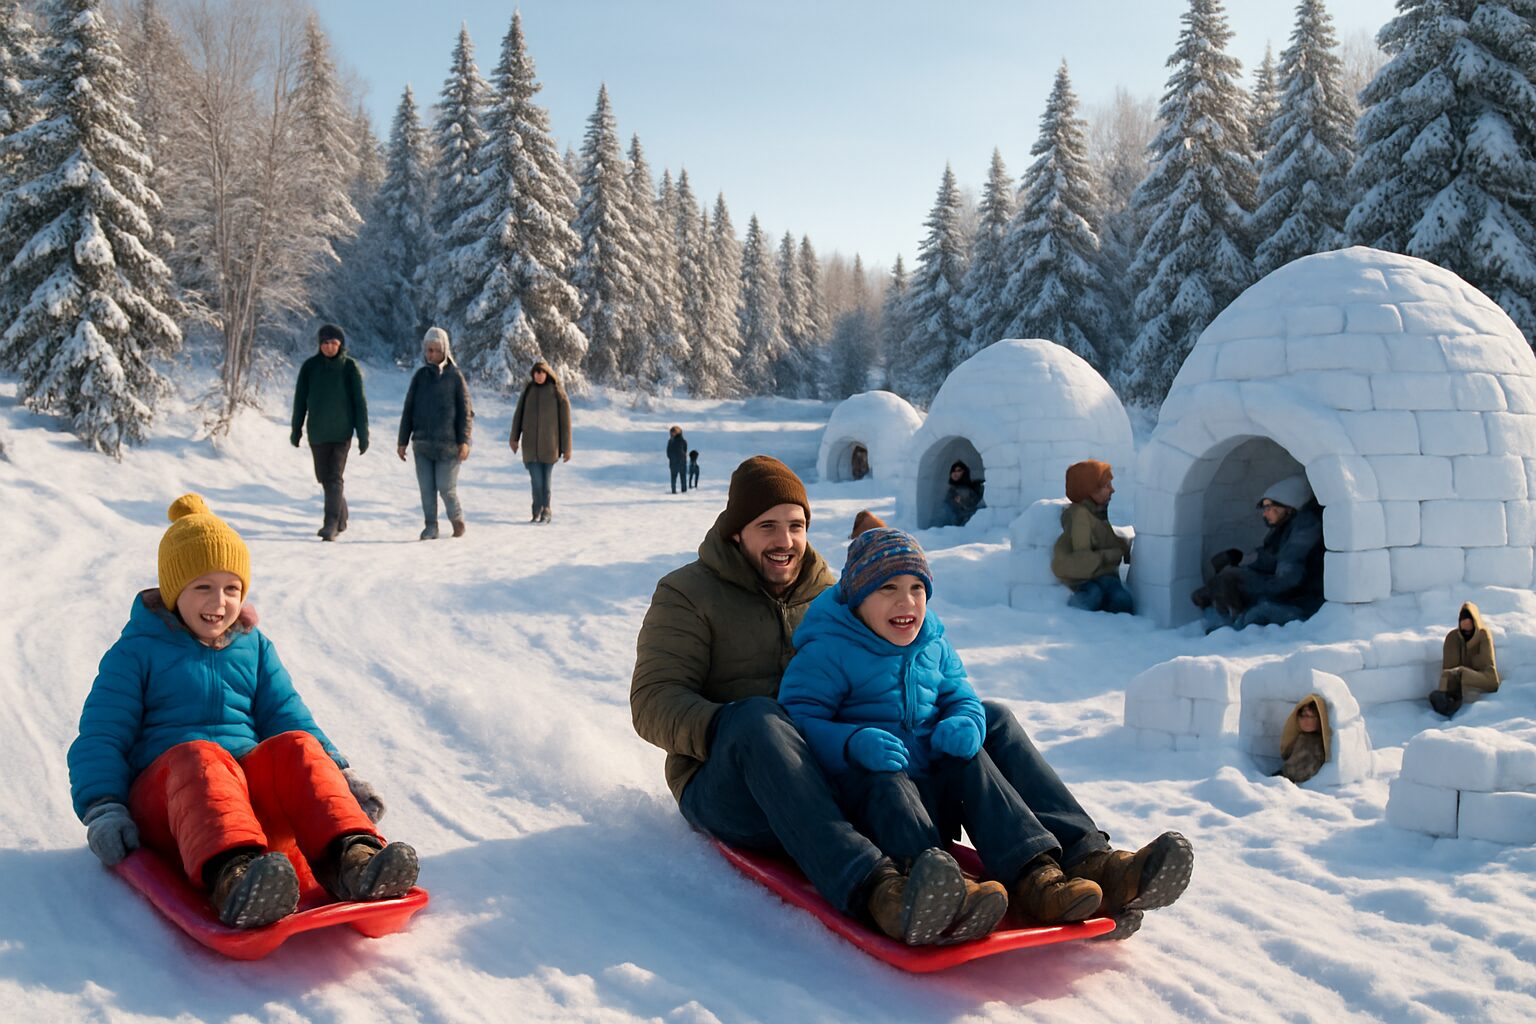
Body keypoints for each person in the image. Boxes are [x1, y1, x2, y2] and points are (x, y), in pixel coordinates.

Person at [631, 456, 1192, 945]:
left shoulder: (837, 590)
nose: (785, 541)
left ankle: (1087, 860)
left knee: (985, 718)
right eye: (767, 527)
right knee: (761, 717)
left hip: (845, 773)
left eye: (796, 526)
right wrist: (746, 733)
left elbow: (917, 664)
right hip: (734, 784)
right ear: (736, 533)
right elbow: (653, 700)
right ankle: (880, 891)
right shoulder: (688, 594)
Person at [67, 495, 418, 929]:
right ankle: (235, 881)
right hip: (171, 811)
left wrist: (342, 780)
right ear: (175, 590)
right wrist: (104, 808)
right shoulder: (135, 653)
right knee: (200, 755)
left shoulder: (253, 646)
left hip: (246, 808)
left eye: (232, 588)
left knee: (296, 745)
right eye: (202, 587)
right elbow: (101, 736)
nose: (219, 601)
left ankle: (354, 859)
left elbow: (290, 716)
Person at [779, 528, 1109, 943]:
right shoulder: (830, 649)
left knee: (972, 760)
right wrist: (850, 742)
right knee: (888, 780)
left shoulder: (932, 640)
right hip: (868, 799)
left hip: (933, 790)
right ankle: (935, 883)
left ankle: (1037, 876)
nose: (907, 602)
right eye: (888, 588)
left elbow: (961, 693)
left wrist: (966, 720)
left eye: (917, 588)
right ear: (858, 598)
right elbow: (796, 721)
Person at [1196, 474, 1324, 632]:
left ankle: (1230, 629)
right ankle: (1227, 623)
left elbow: (1288, 580)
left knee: (1258, 612)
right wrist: (1240, 559)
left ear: (1288, 506)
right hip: (1290, 596)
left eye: (1269, 508)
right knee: (1223, 584)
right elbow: (1270, 557)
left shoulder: (1305, 528)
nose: (1265, 514)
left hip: (1305, 602)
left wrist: (1244, 585)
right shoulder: (1285, 528)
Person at [291, 324, 369, 541]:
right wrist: (296, 429)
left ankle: (331, 523)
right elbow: (300, 401)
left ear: (340, 344)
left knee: (334, 478)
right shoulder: (310, 367)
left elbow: (359, 403)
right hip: (317, 433)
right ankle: (342, 516)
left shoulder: (349, 368)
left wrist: (363, 434)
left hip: (341, 433)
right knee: (324, 478)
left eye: (333, 343)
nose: (328, 347)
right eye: (324, 343)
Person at [398, 327, 473, 540]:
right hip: (422, 444)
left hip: (449, 446)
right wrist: (402, 441)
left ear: (445, 351)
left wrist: (465, 441)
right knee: (426, 490)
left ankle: (456, 518)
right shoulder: (420, 377)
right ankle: (431, 526)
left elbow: (465, 412)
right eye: (428, 350)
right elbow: (408, 409)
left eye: (435, 350)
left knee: (445, 487)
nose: (431, 355)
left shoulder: (455, 377)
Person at [1051, 460, 1134, 614]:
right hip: (1087, 579)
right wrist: (1113, 554)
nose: (1112, 490)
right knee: (1095, 596)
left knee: (1121, 600)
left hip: (1105, 576)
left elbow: (1104, 540)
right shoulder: (1080, 515)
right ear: (1091, 489)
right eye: (1107, 485)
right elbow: (1083, 559)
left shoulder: (1097, 512)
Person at [509, 359, 571, 524]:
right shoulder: (528, 390)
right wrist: (514, 438)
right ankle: (537, 509)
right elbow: (518, 416)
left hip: (550, 447)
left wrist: (567, 448)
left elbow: (565, 423)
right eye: (536, 372)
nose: (539, 375)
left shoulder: (556, 392)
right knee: (536, 481)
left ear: (547, 373)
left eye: (542, 372)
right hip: (530, 447)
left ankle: (546, 509)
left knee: (546, 482)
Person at [1431, 602, 1499, 717]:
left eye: (1469, 629)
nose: (1466, 632)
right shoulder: (1453, 638)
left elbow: (1491, 678)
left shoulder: (1483, 635)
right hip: (1459, 681)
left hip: (1483, 678)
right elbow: (1448, 671)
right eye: (1463, 629)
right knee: (1450, 676)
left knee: (1461, 674)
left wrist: (1465, 673)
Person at [1278, 696, 1329, 784]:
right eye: (1302, 715)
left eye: (1310, 716)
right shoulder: (1301, 737)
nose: (1305, 720)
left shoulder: (1316, 743)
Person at [938, 460, 984, 527]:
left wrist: (962, 502)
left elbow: (974, 507)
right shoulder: (952, 489)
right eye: (953, 470)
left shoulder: (966, 489)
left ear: (964, 472)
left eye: (959, 470)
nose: (955, 473)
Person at [667, 426, 689, 494]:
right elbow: (668, 452)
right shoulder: (671, 441)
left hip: (679, 462)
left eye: (673, 433)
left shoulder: (680, 441)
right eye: (671, 433)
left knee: (682, 478)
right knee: (675, 478)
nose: (671, 434)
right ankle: (675, 491)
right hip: (677, 462)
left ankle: (683, 491)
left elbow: (685, 450)